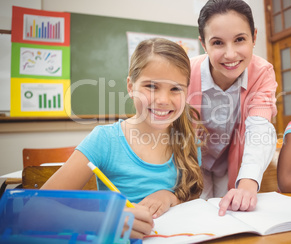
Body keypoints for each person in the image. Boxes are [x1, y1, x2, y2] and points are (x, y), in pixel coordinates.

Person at [42, 38, 205, 239]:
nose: (163, 100)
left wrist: (169, 197)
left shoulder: (188, 140)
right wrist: (107, 219)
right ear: (130, 86)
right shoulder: (105, 140)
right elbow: (34, 212)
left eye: (175, 89)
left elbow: (192, 200)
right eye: (151, 86)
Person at [187, 0, 278, 216]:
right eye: (218, 42)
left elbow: (259, 127)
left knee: (226, 213)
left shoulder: (262, 72)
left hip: (230, 163)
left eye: (240, 39)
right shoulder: (186, 72)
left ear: (254, 37)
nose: (230, 54)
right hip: (191, 162)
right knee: (195, 212)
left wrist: (247, 183)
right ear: (203, 44)